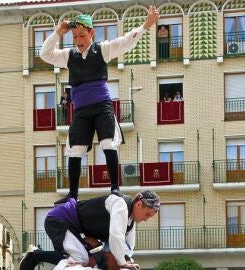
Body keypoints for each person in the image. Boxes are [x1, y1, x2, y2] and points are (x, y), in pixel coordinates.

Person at [40, 7, 160, 204]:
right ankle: (73, 194)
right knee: (75, 149)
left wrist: (146, 25)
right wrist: (58, 33)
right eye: (75, 36)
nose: (78, 40)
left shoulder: (103, 49)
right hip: (81, 110)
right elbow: (45, 54)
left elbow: (125, 41)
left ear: (91, 33)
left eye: (82, 35)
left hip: (102, 105)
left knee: (108, 143)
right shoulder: (68, 55)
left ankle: (115, 189)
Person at [20, 191, 160, 270]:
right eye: (147, 214)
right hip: (59, 219)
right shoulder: (121, 204)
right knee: (80, 258)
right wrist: (122, 263)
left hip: (74, 227)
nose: (146, 219)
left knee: (82, 258)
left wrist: (124, 263)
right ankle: (34, 255)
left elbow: (128, 249)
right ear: (139, 204)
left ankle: (36, 255)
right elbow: (116, 236)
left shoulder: (131, 223)